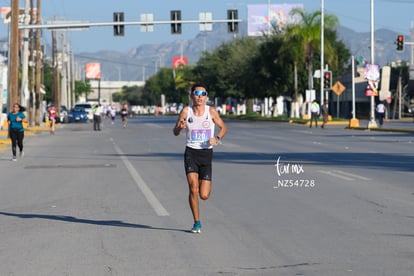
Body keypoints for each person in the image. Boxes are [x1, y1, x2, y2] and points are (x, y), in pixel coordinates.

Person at [173, 84, 228, 233]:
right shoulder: (186, 111)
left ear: (206, 97)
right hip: (191, 153)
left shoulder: (211, 112)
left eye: (203, 94)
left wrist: (216, 138)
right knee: (193, 188)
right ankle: (196, 222)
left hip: (206, 154)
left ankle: (197, 217)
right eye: (197, 93)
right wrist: (180, 127)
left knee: (204, 195)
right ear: (192, 96)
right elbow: (175, 131)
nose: (200, 96)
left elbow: (224, 128)